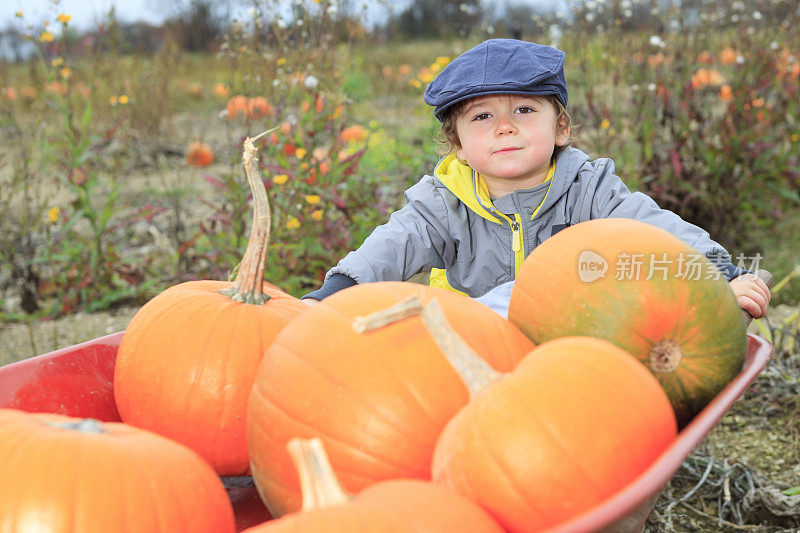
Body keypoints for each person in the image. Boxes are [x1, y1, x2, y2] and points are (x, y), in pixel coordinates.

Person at [302, 38, 770, 319]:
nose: (505, 127)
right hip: (475, 336)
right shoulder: (442, 203)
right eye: (482, 116)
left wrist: (718, 274)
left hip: (573, 336)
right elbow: (393, 245)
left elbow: (650, 226)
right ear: (459, 144)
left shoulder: (588, 187)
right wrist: (335, 295)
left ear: (560, 127)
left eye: (524, 110)